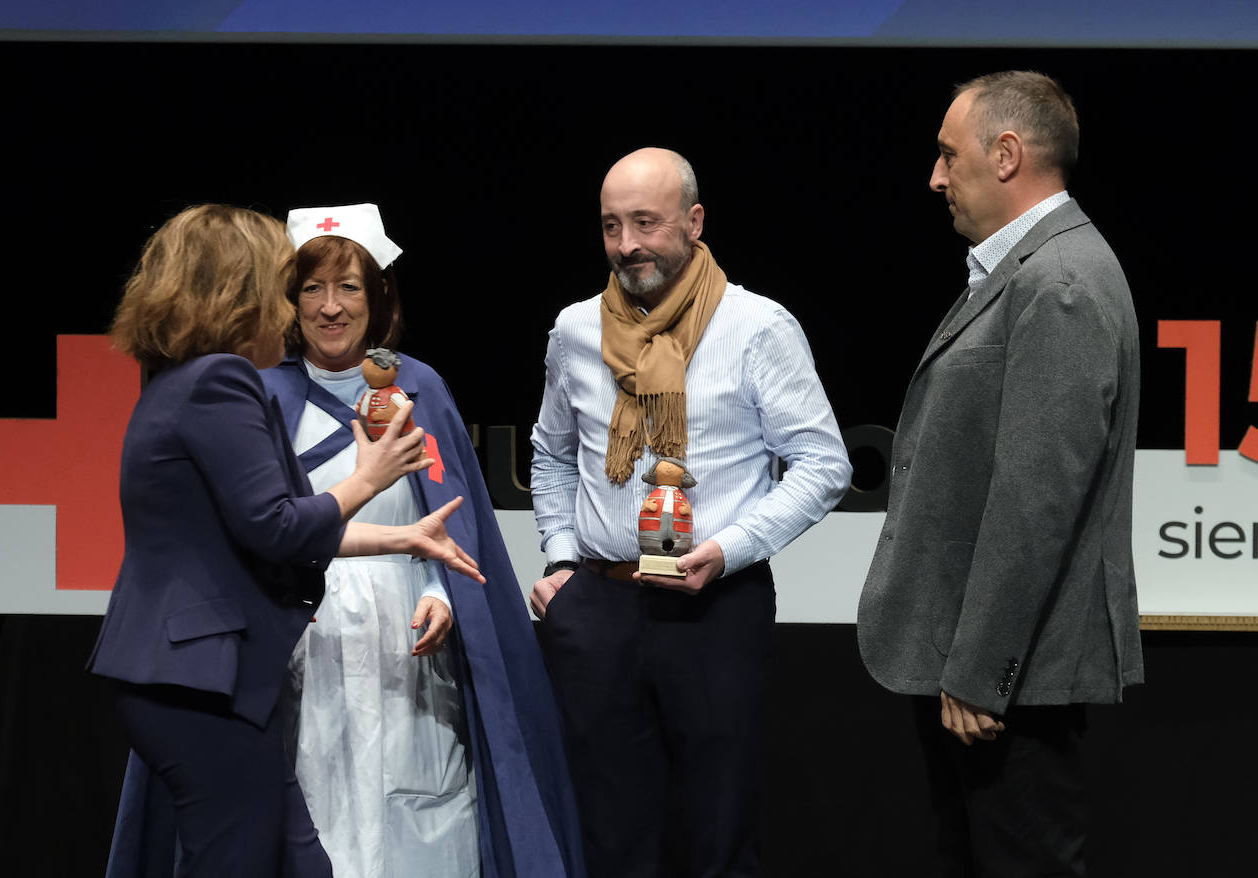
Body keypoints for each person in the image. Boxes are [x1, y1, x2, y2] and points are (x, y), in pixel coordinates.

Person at [87, 203, 482, 878]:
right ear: (240, 289)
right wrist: (369, 478)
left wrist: (405, 538)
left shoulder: (178, 383)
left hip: (207, 676)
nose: (297, 303)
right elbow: (277, 527)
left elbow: (267, 530)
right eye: (286, 283)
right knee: (236, 860)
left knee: (299, 859)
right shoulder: (222, 381)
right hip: (203, 679)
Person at [529, 148, 851, 877]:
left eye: (646, 222)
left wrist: (732, 547)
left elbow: (825, 464)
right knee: (606, 835)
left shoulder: (757, 326)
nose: (627, 244)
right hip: (599, 605)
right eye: (612, 226)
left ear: (694, 221)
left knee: (716, 834)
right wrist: (558, 559)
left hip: (715, 609)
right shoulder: (576, 330)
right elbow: (549, 456)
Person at [856, 71, 1143, 877]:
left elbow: (1036, 502)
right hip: (989, 672)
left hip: (1010, 680)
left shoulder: (1058, 283)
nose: (936, 177)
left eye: (950, 155)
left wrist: (981, 674)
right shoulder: (1036, 270)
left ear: (1008, 154)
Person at [263, 203, 584, 878]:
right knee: (314, 805)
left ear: (378, 295)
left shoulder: (420, 388)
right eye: (312, 289)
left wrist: (444, 591)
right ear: (288, 301)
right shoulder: (262, 396)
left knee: (418, 817)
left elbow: (451, 521)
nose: (330, 308)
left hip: (408, 632)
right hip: (305, 633)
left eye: (348, 287)